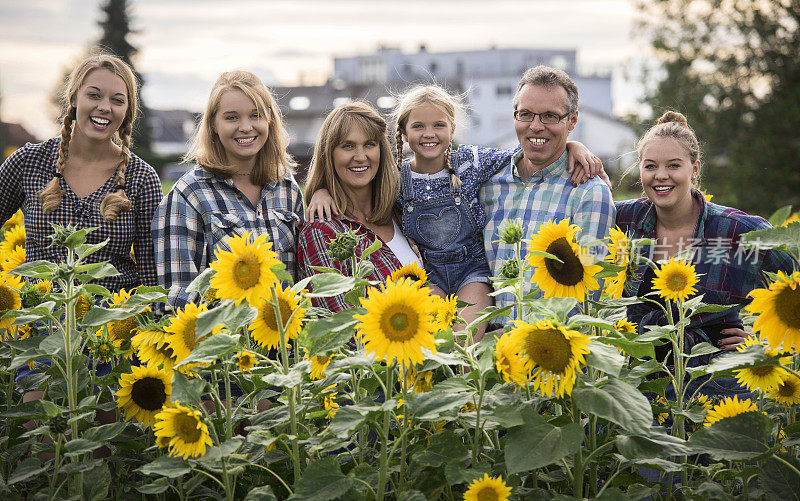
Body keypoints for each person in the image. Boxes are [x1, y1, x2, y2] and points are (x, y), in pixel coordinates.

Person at [307, 84, 605, 331]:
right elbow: (352, 182)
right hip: (431, 277)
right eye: (418, 126)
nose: (429, 134)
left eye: (438, 125)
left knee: (465, 345)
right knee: (438, 343)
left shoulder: (470, 163)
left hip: (471, 272)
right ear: (403, 134)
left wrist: (571, 146)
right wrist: (321, 190)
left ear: (452, 129)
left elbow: (529, 150)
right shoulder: (396, 182)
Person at [616, 111, 797, 392]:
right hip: (641, 387)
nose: (661, 176)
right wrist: (574, 149)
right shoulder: (624, 220)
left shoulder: (738, 231)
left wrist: (763, 341)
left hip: (716, 390)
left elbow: (794, 275)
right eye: (650, 166)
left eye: (674, 165)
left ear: (695, 169)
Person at [0, 53, 162, 291]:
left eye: (117, 100)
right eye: (94, 95)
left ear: (127, 110)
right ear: (74, 97)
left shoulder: (141, 178)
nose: (104, 107)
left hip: (110, 321)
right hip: (40, 321)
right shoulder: (28, 162)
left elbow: (151, 274)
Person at [152, 71, 304, 310]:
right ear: (213, 124)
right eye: (232, 117)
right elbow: (178, 301)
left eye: (256, 115)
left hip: (284, 341)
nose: (246, 127)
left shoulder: (287, 188)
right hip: (222, 343)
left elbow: (301, 283)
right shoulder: (188, 195)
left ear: (270, 120)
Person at [480, 66, 616, 320]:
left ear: (572, 120)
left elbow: (587, 299)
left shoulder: (589, 194)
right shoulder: (488, 183)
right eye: (526, 114)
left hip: (549, 348)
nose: (535, 126)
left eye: (550, 116)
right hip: (487, 353)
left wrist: (514, 338)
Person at [297, 101, 421, 313]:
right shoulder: (322, 232)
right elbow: (341, 326)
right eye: (348, 146)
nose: (361, 156)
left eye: (370, 144)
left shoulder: (402, 210)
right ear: (330, 155)